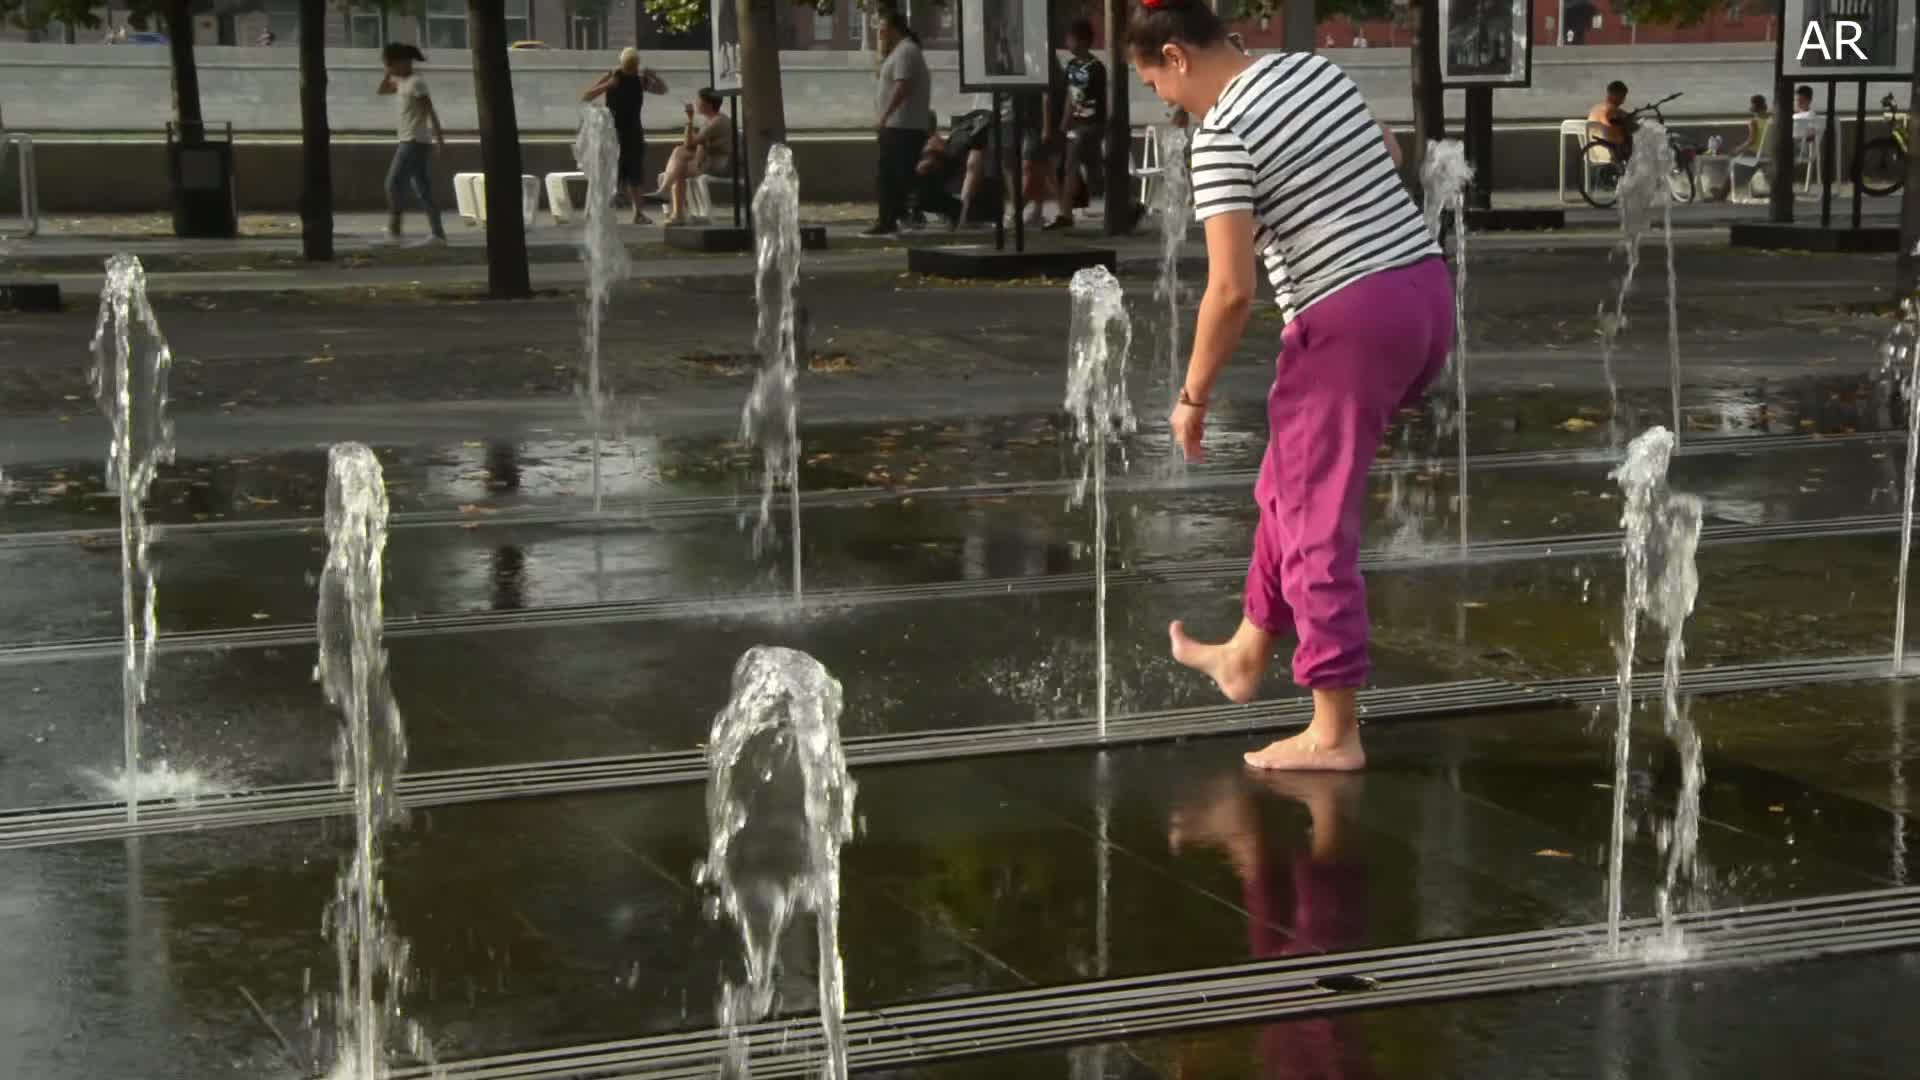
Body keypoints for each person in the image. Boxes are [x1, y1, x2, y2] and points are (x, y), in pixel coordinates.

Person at [1128, 0, 1452, 772]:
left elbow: (1230, 291)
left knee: (1313, 522)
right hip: (1424, 295)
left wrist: (1192, 396)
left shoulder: (1222, 136)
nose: (1163, 101)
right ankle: (1246, 651)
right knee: (1288, 485)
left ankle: (1334, 728)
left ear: (1176, 56)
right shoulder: (1311, 69)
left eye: (1153, 83)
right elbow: (1385, 148)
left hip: (1348, 320)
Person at [582, 47, 668, 224]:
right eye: (629, 66)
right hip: (612, 132)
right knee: (612, 173)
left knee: (635, 174)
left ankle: (638, 213)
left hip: (633, 132)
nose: (632, 70)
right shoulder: (613, 75)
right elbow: (587, 96)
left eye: (634, 66)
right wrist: (607, 85)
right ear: (622, 64)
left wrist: (654, 76)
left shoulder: (640, 79)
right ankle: (606, 211)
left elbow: (663, 90)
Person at [866, 13, 932, 236]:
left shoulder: (906, 51)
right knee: (897, 176)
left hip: (901, 126)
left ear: (894, 27)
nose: (879, 30)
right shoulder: (901, 51)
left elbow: (902, 86)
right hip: (900, 125)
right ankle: (898, 217)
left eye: (882, 26)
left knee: (889, 176)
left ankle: (889, 220)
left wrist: (884, 116)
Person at [377, 43, 447, 246]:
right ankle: (438, 235)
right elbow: (382, 90)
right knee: (423, 189)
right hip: (412, 140)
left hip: (414, 141)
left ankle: (395, 232)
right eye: (387, 64)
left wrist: (440, 140)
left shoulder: (416, 83)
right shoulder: (401, 81)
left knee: (393, 183)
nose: (389, 68)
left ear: (404, 62)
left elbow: (430, 112)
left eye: (391, 64)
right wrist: (388, 73)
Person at [1049, 18, 1108, 230]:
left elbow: (1088, 98)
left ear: (1082, 41)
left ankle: (1065, 214)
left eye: (1070, 38)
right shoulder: (1072, 66)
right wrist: (1064, 122)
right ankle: (1128, 203)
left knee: (1071, 166)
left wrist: (1067, 125)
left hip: (1089, 124)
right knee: (1094, 170)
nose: (1067, 42)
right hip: (1076, 124)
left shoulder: (1095, 68)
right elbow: (1069, 95)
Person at [659, 88, 733, 226]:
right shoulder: (710, 120)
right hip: (708, 161)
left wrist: (690, 119)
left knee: (679, 166)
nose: (696, 103)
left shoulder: (718, 122)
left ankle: (673, 206)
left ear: (708, 104)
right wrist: (690, 121)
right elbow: (690, 145)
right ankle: (670, 200)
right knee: (679, 155)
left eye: (699, 101)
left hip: (719, 165)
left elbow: (689, 143)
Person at [1587, 79, 1632, 154]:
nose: (1623, 100)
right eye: (1622, 96)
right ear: (1615, 95)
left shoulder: (1596, 108)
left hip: (1594, 151)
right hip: (1610, 151)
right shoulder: (1612, 110)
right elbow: (1625, 119)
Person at [1732, 94, 1771, 158]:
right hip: (1769, 154)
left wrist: (1737, 150)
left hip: (1756, 154)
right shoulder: (1771, 121)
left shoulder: (1754, 122)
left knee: (1734, 159)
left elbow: (1751, 141)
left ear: (1754, 106)